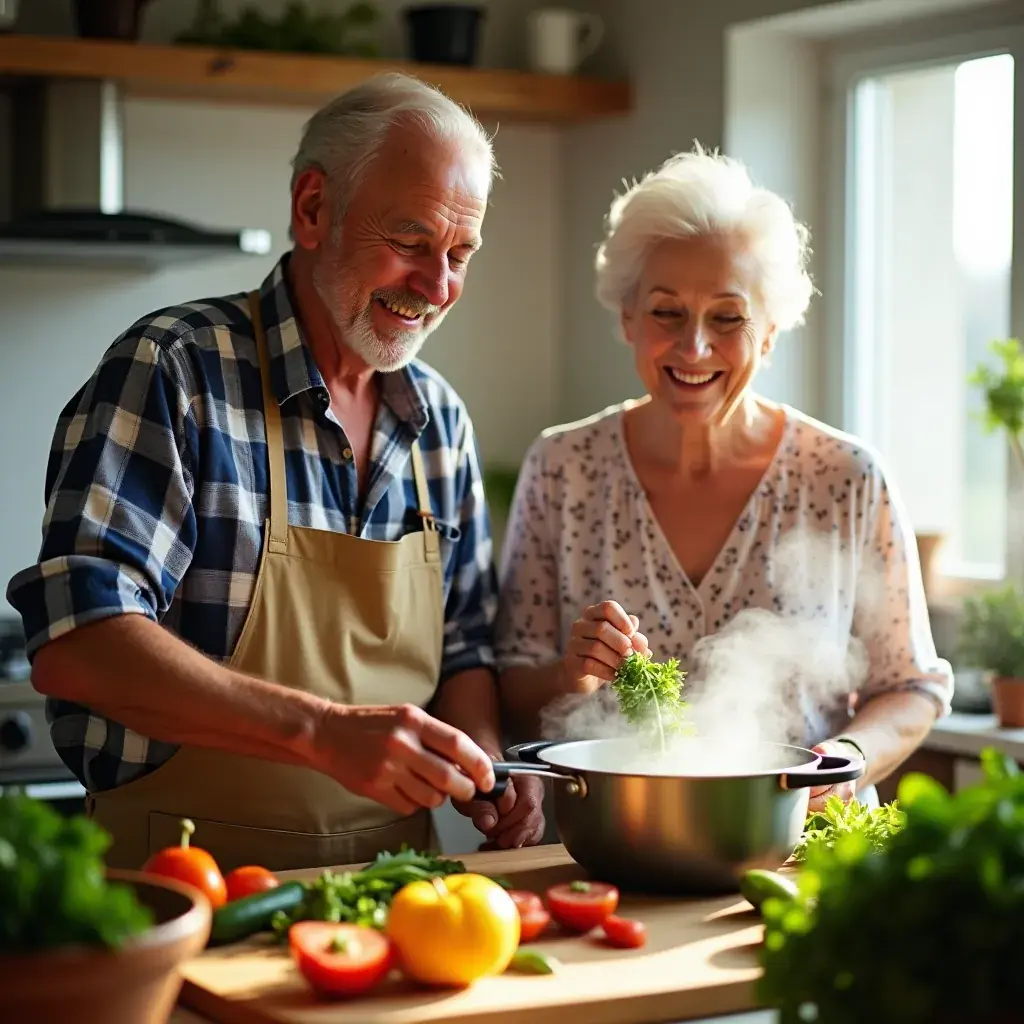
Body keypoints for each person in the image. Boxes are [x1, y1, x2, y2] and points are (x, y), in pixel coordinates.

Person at [7, 72, 545, 871]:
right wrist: (323, 733)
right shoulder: (175, 370)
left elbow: (464, 649)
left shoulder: (440, 425)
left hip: (392, 902)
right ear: (314, 208)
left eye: (459, 253)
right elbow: (78, 642)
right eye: (410, 241)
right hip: (180, 887)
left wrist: (488, 765)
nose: (437, 288)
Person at [494, 145, 953, 811]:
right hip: (614, 849)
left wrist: (844, 763)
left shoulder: (846, 478)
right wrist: (572, 674)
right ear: (628, 318)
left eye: (728, 317)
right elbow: (509, 687)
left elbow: (912, 687)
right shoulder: (563, 471)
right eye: (666, 312)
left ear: (769, 332)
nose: (695, 347)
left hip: (801, 850)